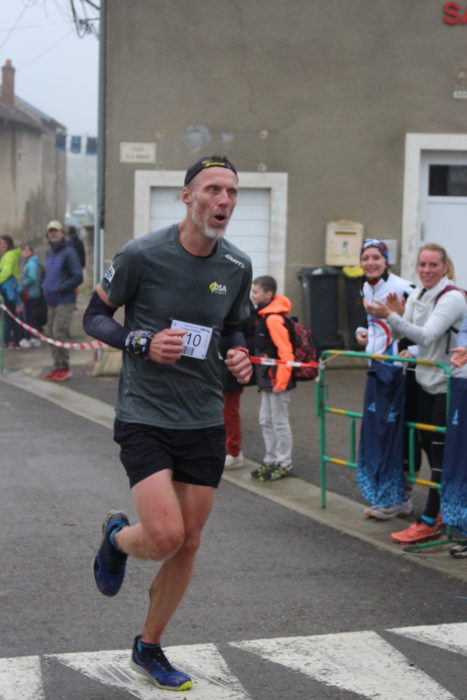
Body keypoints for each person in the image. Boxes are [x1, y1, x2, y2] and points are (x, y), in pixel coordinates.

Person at [83, 155, 252, 692]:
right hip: (146, 415)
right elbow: (95, 316)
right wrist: (140, 342)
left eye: (231, 192)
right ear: (187, 196)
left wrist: (240, 355)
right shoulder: (141, 254)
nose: (223, 201)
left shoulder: (237, 265)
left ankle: (148, 646)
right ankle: (117, 539)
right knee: (164, 537)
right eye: (212, 190)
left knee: (189, 543)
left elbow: (235, 328)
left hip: (202, 418)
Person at [366, 243, 466, 545]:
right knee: (426, 447)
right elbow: (403, 334)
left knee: (440, 455)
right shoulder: (420, 293)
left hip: (449, 384)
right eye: (422, 264)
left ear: (445, 267)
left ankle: (430, 519)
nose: (426, 270)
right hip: (425, 381)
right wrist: (394, 316)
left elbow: (426, 335)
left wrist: (391, 316)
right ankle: (442, 510)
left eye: (433, 265)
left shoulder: (451, 297)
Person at [355, 238, 417, 520]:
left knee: (396, 435)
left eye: (376, 257)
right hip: (376, 369)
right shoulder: (366, 286)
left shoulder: (404, 288)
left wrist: (413, 351)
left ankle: (400, 498)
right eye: (365, 258)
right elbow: (371, 321)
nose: (370, 263)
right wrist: (361, 332)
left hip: (399, 372)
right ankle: (385, 495)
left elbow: (420, 324)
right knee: (377, 435)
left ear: (386, 261)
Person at [249, 274, 295, 482]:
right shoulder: (264, 316)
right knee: (265, 420)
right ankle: (271, 458)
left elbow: (286, 352)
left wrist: (282, 382)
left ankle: (284, 462)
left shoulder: (273, 319)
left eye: (256, 292)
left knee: (279, 422)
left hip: (277, 380)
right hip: (268, 379)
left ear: (268, 294)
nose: (252, 295)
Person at [41, 220, 83, 381]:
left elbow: (77, 276)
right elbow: (48, 273)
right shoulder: (49, 252)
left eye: (56, 230)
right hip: (50, 300)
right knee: (50, 334)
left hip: (64, 299)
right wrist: (44, 285)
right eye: (50, 231)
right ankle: (57, 366)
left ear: (62, 233)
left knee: (59, 333)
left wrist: (61, 288)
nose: (53, 233)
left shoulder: (69, 252)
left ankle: (65, 368)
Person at [221, 301, 256, 470]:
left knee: (229, 413)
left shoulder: (242, 309)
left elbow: (239, 332)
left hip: (230, 370)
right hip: (218, 368)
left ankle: (233, 452)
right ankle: (227, 450)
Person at [0, 235, 23, 348]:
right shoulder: (8, 255)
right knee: (12, 316)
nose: (1, 245)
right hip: (11, 289)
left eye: (3, 243)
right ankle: (15, 341)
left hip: (9, 290)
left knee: (8, 317)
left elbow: (6, 272)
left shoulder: (9, 255)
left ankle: (7, 341)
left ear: (9, 244)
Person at [19, 244, 42, 348]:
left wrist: (22, 285)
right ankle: (33, 337)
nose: (26, 251)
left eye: (28, 250)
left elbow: (32, 278)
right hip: (31, 293)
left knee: (28, 317)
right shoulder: (30, 262)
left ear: (32, 252)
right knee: (31, 316)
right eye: (24, 250)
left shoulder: (32, 263)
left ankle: (29, 338)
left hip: (30, 294)